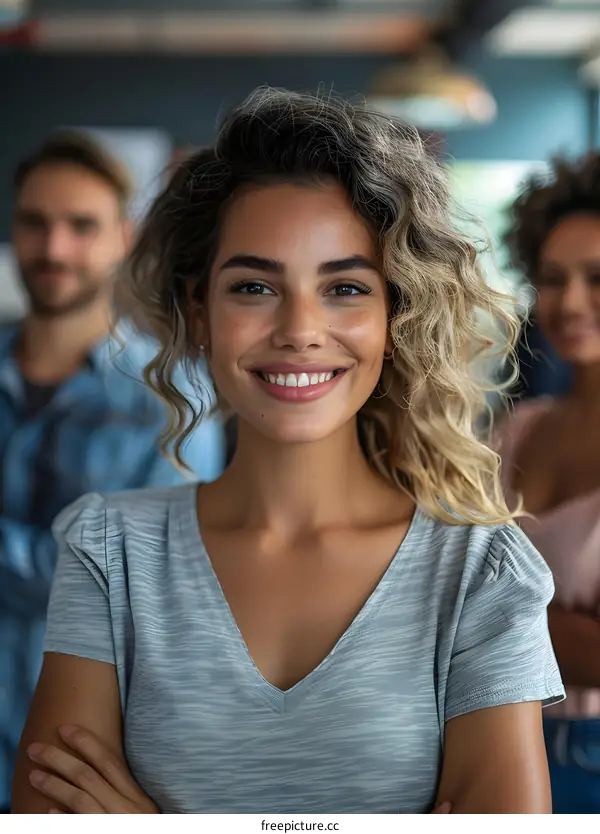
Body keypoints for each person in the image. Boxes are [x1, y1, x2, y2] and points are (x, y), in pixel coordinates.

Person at [12, 88, 564, 815]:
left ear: (394, 314)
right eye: (253, 286)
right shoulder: (107, 551)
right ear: (200, 310)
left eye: (343, 288)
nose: (300, 329)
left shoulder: (482, 573)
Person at [0, 131, 224, 812]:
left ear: (123, 237)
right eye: (36, 224)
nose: (55, 248)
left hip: (81, 759)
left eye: (81, 226)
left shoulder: (173, 397)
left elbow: (116, 580)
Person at [496, 153, 600, 813]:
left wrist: (494, 607)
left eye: (598, 278)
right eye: (552, 279)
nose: (570, 302)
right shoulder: (519, 429)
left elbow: (464, 600)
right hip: (504, 739)